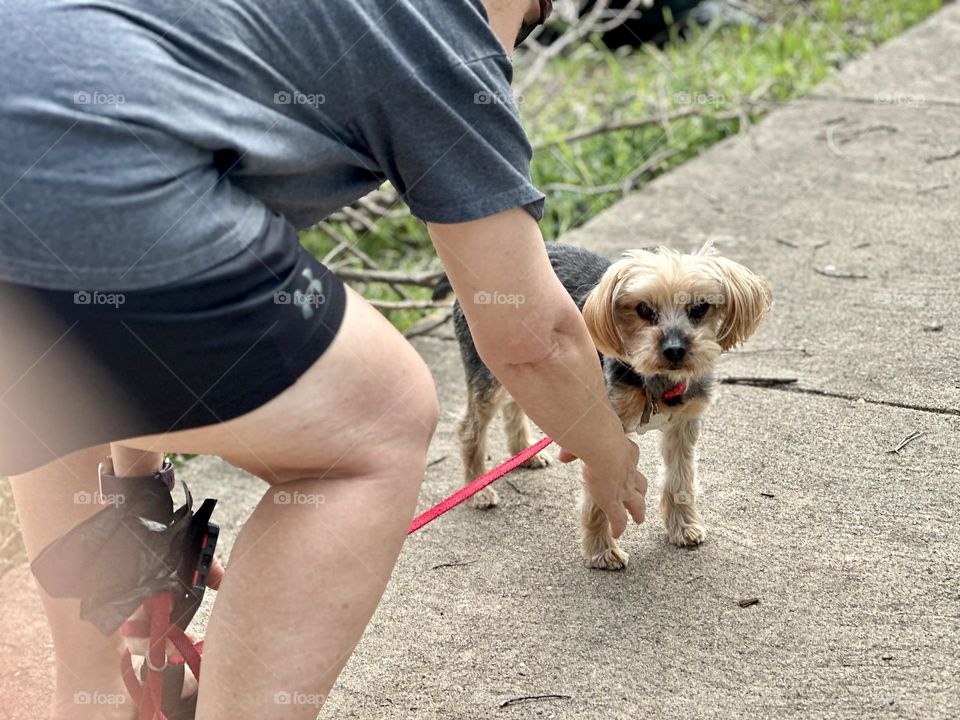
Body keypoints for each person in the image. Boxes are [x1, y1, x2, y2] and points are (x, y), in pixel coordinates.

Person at [0, 0, 647, 716]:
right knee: (379, 417)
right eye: (530, 23)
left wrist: (138, 489)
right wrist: (606, 452)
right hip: (86, 189)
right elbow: (532, 337)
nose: (511, 54)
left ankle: (97, 699)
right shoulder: (444, 29)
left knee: (54, 373)